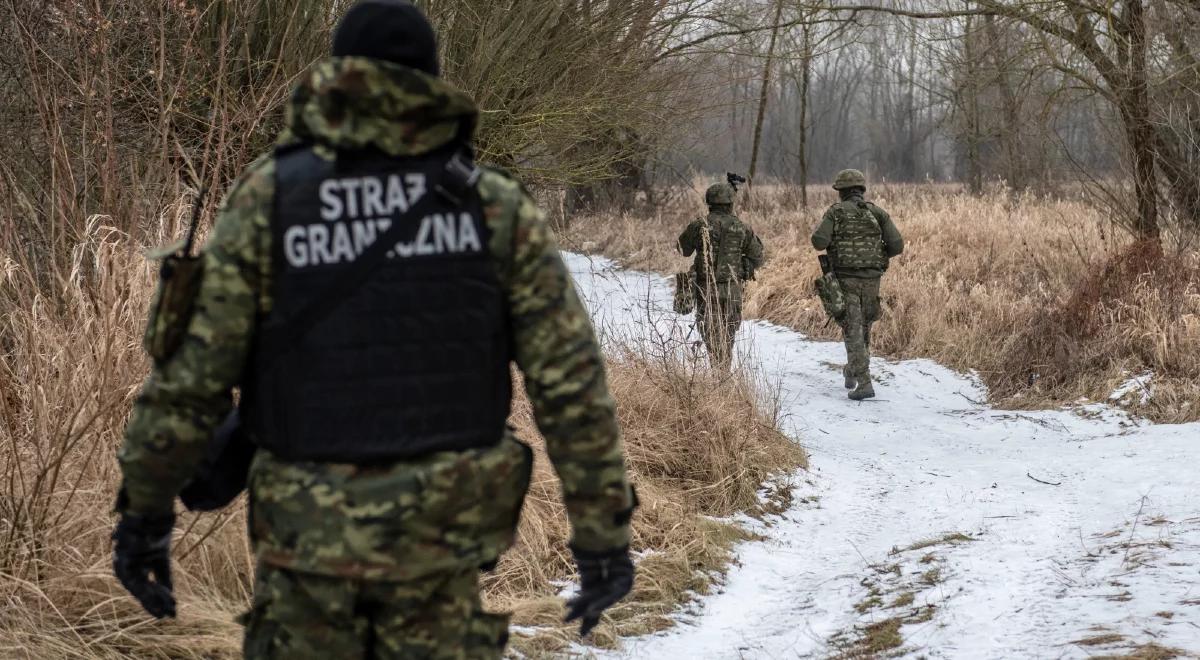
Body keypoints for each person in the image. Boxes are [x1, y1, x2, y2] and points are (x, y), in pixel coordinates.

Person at [112, 2, 637, 657]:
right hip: (439, 544)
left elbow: (190, 380)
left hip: (304, 545)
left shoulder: (270, 197)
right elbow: (571, 384)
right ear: (430, 82)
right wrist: (602, 532)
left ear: (337, 76)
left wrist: (144, 514)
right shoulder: (491, 207)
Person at [811, 169, 904, 401]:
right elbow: (897, 246)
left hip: (845, 278)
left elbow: (818, 241)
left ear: (840, 191)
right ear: (861, 190)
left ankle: (864, 383)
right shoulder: (877, 212)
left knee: (852, 327)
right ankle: (852, 370)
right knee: (862, 327)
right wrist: (874, 256)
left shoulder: (836, 212)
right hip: (873, 279)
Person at [677, 181, 764, 370]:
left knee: (710, 332)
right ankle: (722, 372)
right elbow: (758, 258)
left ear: (709, 203)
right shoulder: (742, 227)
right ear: (731, 203)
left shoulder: (699, 225)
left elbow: (682, 249)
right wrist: (742, 263)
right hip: (732, 288)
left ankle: (719, 374)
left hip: (705, 287)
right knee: (728, 332)